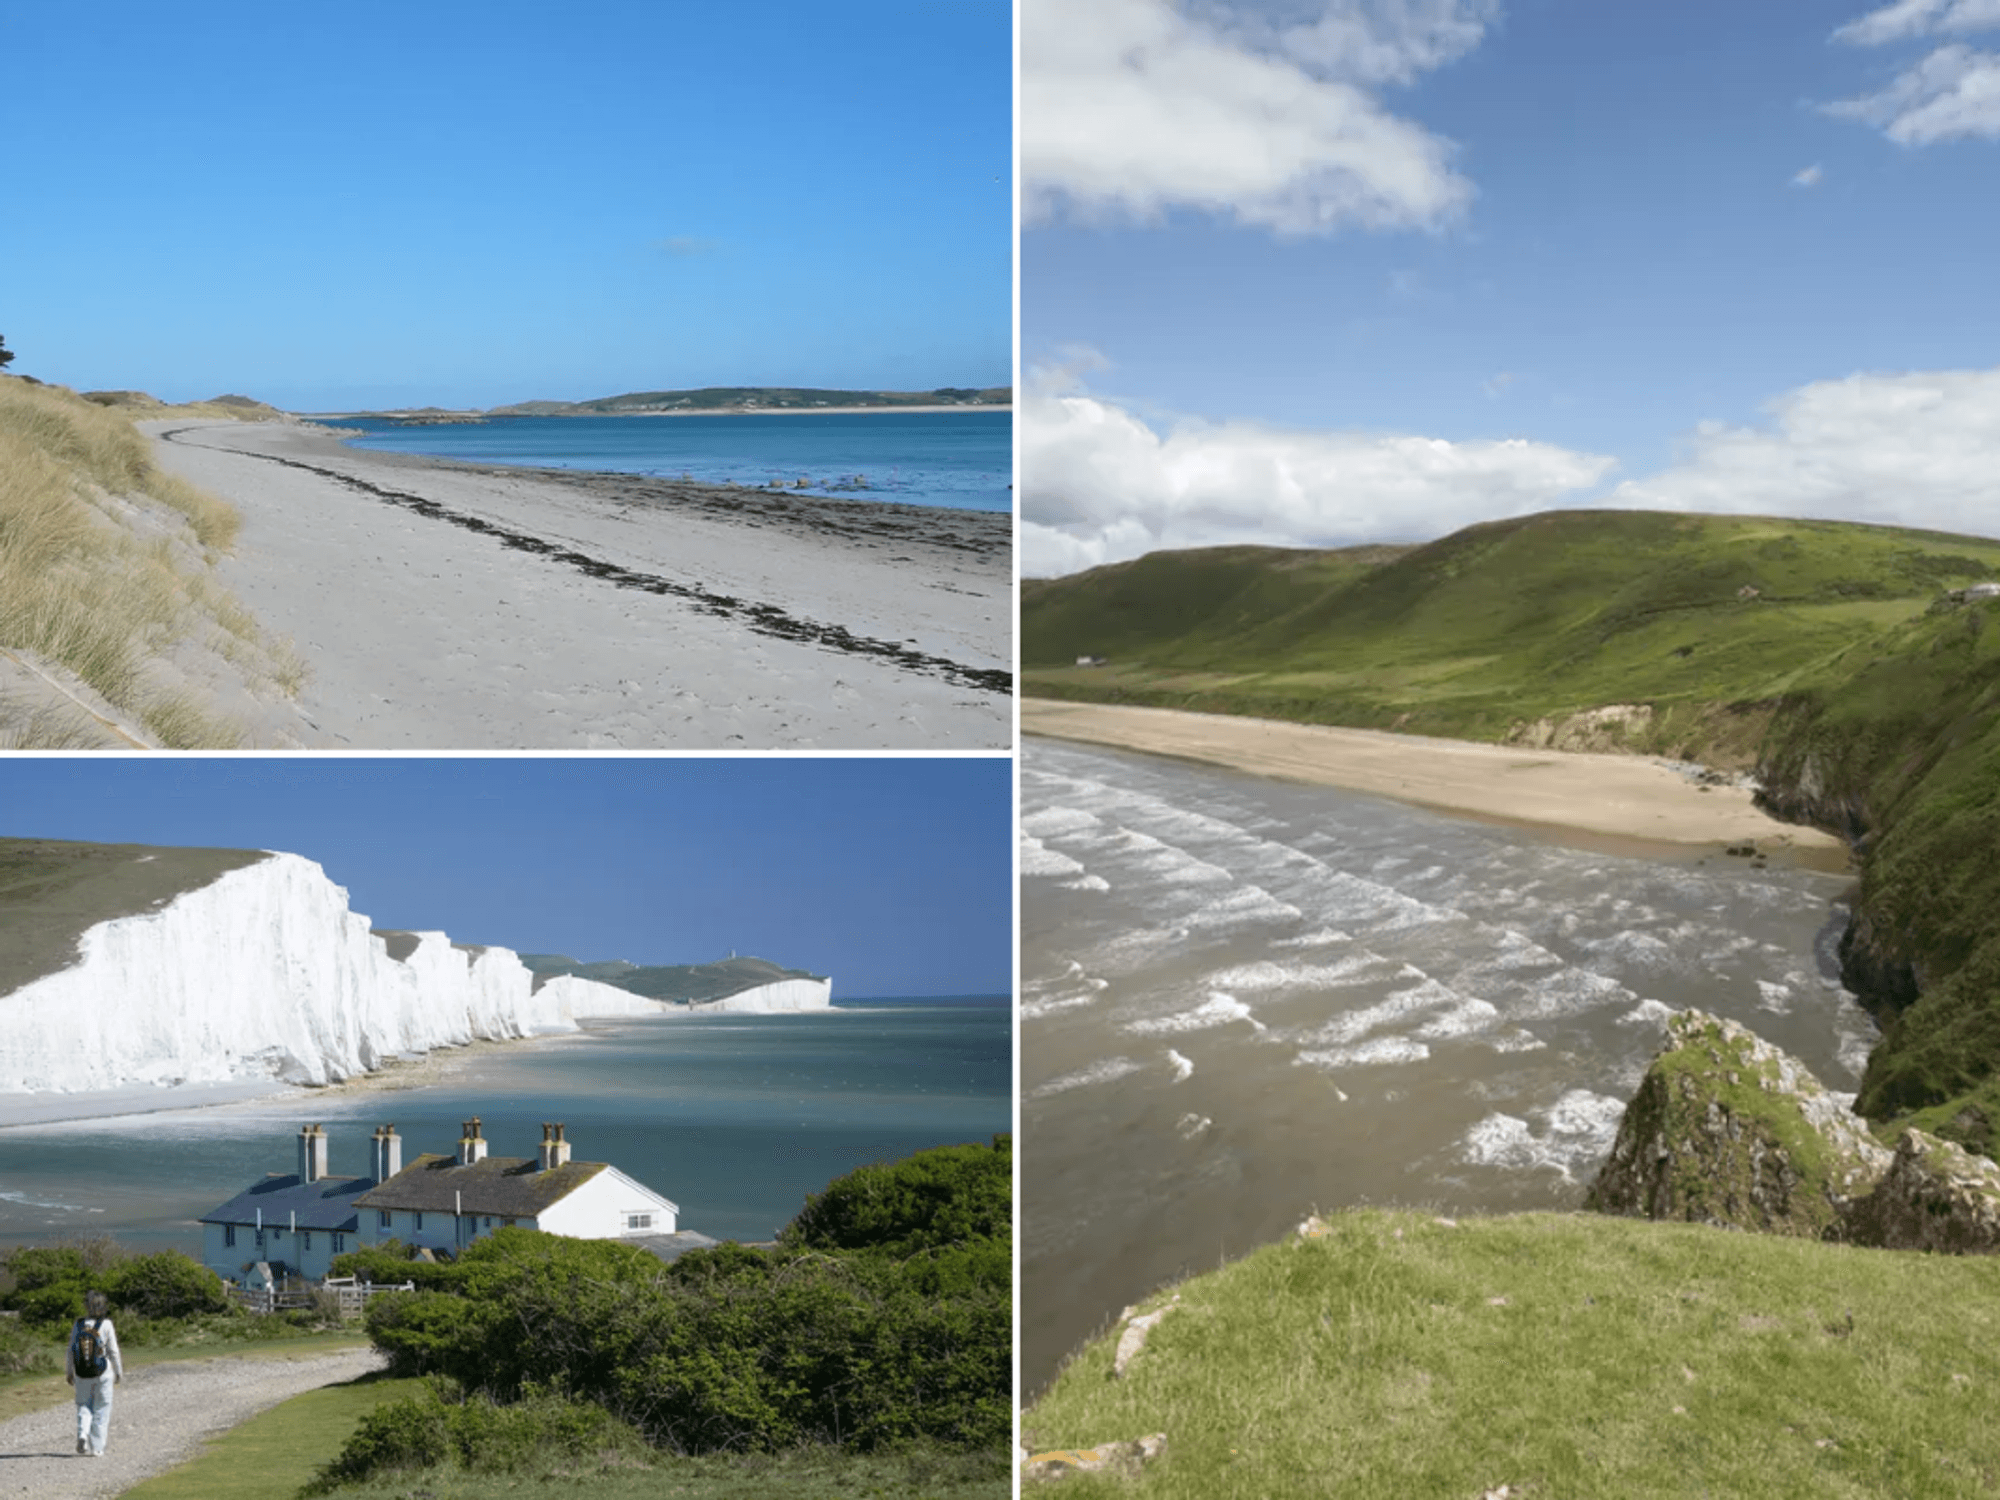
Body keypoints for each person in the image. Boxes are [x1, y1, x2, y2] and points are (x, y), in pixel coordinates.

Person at [65, 1289, 123, 1458]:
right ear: (103, 1306)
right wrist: (119, 1371)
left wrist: (69, 1371)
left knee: (84, 1405)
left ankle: (83, 1434)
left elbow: (70, 1350)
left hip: (82, 1372)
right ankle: (97, 1448)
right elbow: (113, 1351)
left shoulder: (78, 1324)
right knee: (102, 1409)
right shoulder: (106, 1324)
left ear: (87, 1306)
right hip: (103, 1373)